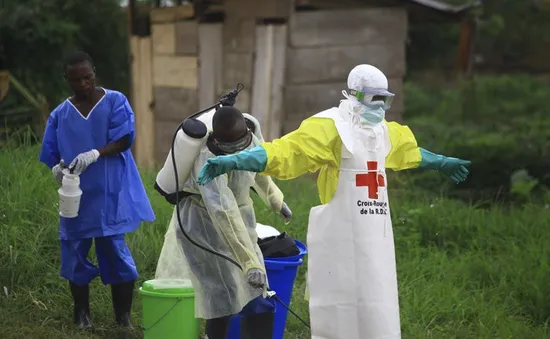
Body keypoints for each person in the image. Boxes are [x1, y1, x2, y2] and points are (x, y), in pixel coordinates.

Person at [197, 64, 472, 339]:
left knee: (379, 302)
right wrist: (235, 160)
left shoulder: (384, 132)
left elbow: (408, 152)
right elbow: (285, 152)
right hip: (340, 240)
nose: (380, 106)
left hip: (376, 243)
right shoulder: (331, 128)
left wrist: (442, 162)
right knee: (341, 308)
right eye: (374, 98)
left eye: (385, 99)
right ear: (354, 95)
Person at [39, 51, 156, 329]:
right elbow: (52, 151)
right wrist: (57, 167)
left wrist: (95, 153)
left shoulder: (115, 101)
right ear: (65, 78)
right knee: (74, 252)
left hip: (108, 191)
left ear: (94, 72)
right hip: (75, 195)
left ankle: (123, 317)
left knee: (115, 251)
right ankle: (81, 315)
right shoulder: (60, 114)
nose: (83, 84)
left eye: (87, 77)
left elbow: (124, 138)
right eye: (76, 79)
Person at [154, 106, 292, 339]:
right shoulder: (208, 161)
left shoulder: (248, 137)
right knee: (222, 294)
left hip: (241, 220)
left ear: (247, 131)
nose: (238, 150)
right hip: (202, 226)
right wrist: (249, 262)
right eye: (230, 146)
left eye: (242, 142)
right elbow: (223, 211)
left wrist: (275, 200)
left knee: (259, 293)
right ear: (216, 139)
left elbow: (258, 167)